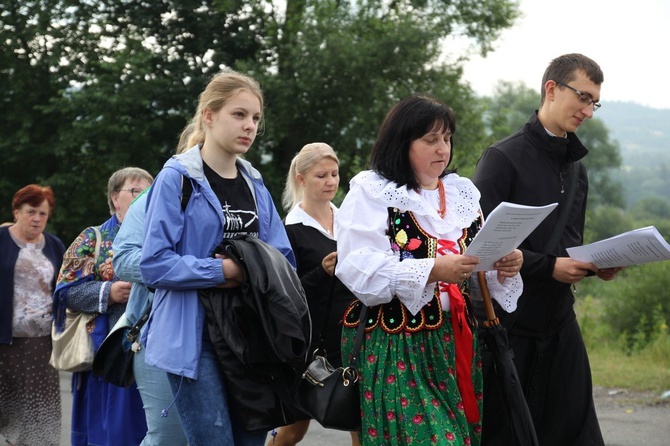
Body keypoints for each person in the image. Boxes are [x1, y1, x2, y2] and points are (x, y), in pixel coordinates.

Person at [334, 95, 524, 446]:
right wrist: (431, 270)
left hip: (455, 343)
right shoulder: (374, 192)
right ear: (402, 143)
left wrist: (505, 266)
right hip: (397, 344)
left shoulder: (461, 193)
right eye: (431, 140)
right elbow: (356, 267)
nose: (442, 149)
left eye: (447, 138)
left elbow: (481, 269)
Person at [471, 53, 623, 446]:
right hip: (508, 329)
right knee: (507, 437)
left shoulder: (578, 168)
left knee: (579, 435)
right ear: (551, 89)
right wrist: (547, 267)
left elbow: (569, 244)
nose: (589, 111)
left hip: (559, 323)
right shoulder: (502, 158)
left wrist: (597, 264)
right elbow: (476, 250)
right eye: (584, 97)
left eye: (595, 102)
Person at [139, 69, 296, 446]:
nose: (250, 126)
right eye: (239, 114)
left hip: (251, 335)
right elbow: (154, 263)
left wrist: (252, 272)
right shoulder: (178, 179)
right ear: (208, 116)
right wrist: (221, 270)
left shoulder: (255, 184)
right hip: (196, 341)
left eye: (255, 118)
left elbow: (284, 258)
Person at [54, 167, 153, 446]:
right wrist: (108, 292)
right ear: (114, 198)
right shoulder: (92, 238)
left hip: (154, 348)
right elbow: (65, 293)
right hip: (107, 354)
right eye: (135, 190)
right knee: (108, 432)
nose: (143, 196)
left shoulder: (165, 237)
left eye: (149, 191)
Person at [267, 143, 359, 446]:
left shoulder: (349, 220)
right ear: (301, 178)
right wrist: (321, 272)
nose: (331, 181)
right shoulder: (289, 229)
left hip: (354, 331)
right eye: (321, 175)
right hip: (312, 340)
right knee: (294, 428)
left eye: (334, 174)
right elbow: (285, 292)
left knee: (361, 420)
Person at [0, 185, 66, 446]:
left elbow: (65, 286)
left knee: (39, 418)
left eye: (42, 213)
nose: (37, 218)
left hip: (41, 345)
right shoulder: (2, 239)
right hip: (4, 342)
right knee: (7, 409)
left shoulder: (54, 245)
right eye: (30, 212)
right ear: (16, 211)